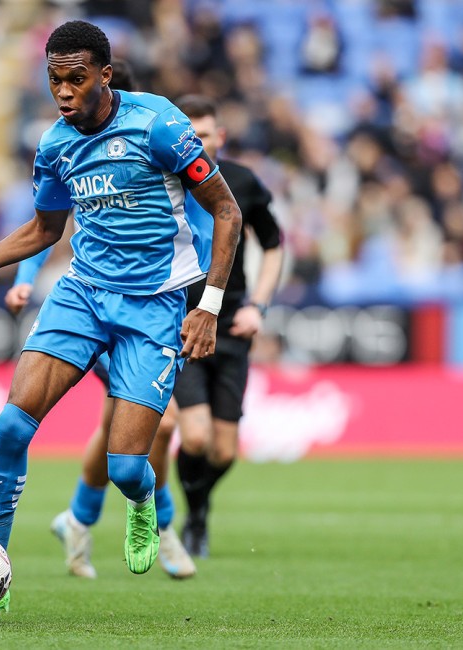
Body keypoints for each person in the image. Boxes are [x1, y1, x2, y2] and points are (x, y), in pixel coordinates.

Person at [0, 20, 242, 624]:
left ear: (104, 74)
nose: (63, 92)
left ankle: (144, 500)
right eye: (53, 79)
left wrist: (210, 306)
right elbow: (45, 230)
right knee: (12, 429)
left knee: (125, 467)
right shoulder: (55, 144)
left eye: (75, 78)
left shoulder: (159, 124)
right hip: (82, 295)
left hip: (155, 307)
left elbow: (226, 209)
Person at [4, 58, 196, 581]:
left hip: (168, 304)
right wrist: (25, 277)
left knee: (122, 434)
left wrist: (213, 303)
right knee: (156, 426)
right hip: (102, 299)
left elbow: (204, 228)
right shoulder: (73, 143)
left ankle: (80, 520)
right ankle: (162, 525)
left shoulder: (170, 153)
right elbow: (48, 227)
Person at [171, 95, 285, 558]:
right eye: (190, 134)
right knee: (193, 435)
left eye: (204, 133)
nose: (198, 141)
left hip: (231, 324)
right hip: (180, 323)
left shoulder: (241, 183)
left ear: (220, 136)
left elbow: (274, 246)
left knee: (223, 452)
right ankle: (192, 518)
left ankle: (198, 510)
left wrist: (259, 304)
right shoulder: (164, 182)